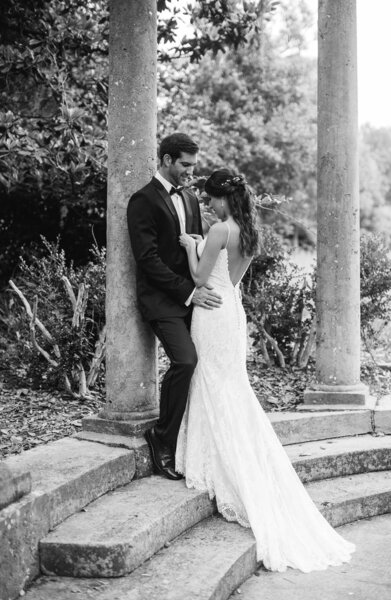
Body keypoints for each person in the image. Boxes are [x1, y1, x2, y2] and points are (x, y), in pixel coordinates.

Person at [176, 169, 355, 573]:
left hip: (211, 313)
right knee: (229, 386)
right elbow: (231, 278)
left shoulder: (221, 230)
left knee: (211, 382)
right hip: (232, 310)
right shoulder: (249, 232)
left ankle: (216, 463)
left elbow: (200, 277)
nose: (208, 205)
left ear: (222, 200)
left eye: (210, 199)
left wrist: (191, 245)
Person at [127, 133, 222, 481]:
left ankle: (195, 440)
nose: (190, 172)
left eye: (194, 166)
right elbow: (147, 260)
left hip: (192, 296)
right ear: (166, 160)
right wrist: (188, 292)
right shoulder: (142, 200)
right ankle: (162, 438)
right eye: (185, 164)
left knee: (213, 363)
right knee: (186, 361)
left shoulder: (191, 198)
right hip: (162, 300)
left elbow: (196, 249)